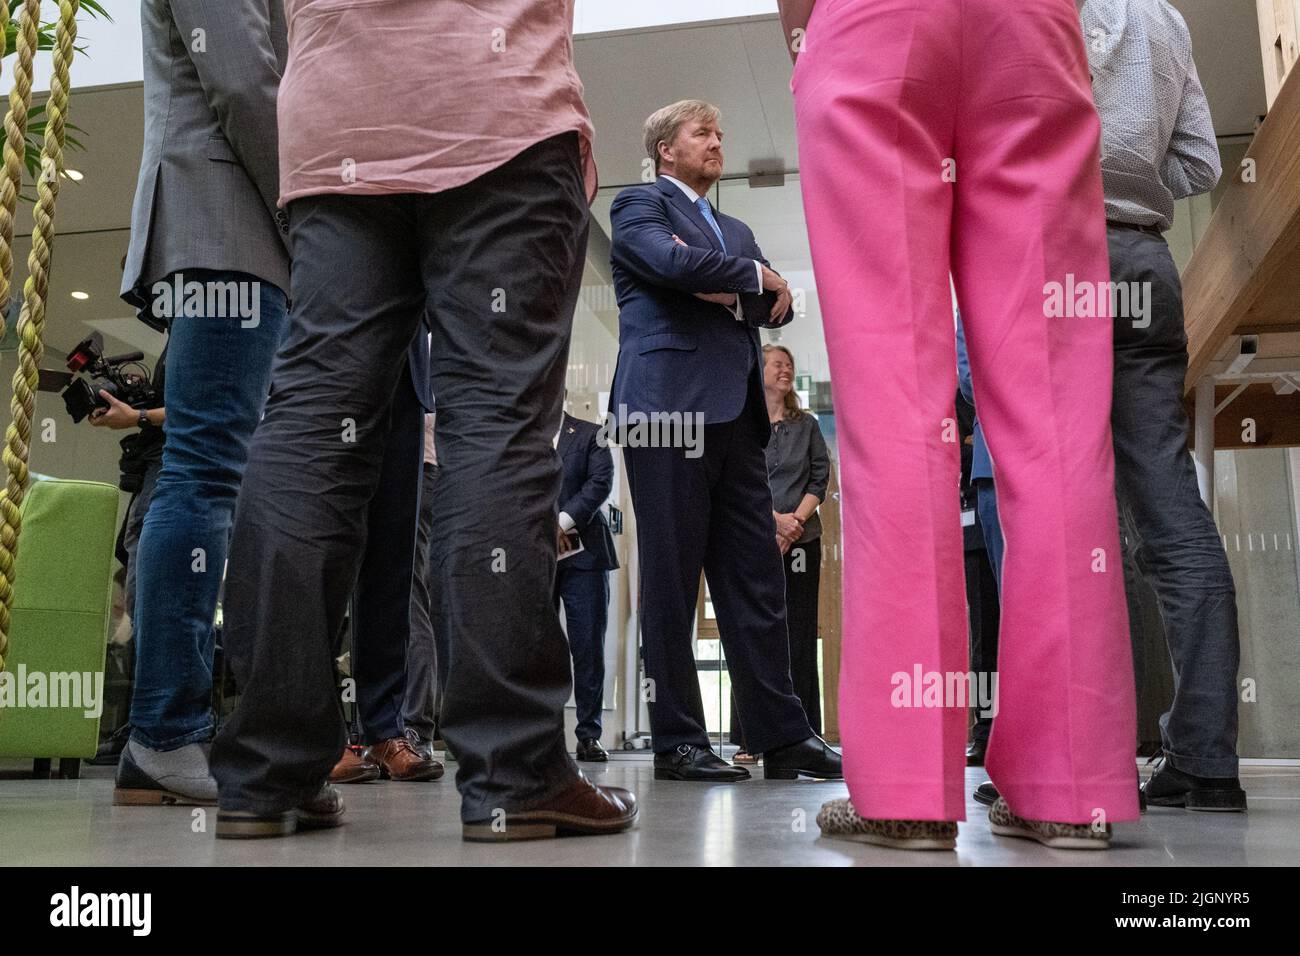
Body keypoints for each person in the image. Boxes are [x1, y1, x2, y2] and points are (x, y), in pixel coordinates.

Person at [209, 0, 637, 843]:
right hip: (494, 109)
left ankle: (263, 771)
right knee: (497, 423)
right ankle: (514, 772)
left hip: (337, 121)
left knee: (308, 419)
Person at [783, 0, 1139, 849]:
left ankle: (907, 784)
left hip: (874, 27)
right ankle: (1070, 784)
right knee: (1058, 419)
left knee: (893, 412)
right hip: (1031, 28)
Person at [608, 99, 842, 784]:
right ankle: (679, 741)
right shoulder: (639, 206)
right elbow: (665, 264)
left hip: (738, 423)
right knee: (674, 583)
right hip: (664, 415)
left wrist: (734, 282)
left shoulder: (735, 227)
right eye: (702, 133)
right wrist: (742, 278)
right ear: (665, 150)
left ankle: (784, 736)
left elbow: (782, 304)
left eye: (720, 131)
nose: (717, 141)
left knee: (756, 581)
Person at [112, 0, 291, 808]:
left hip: (233, 235)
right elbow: (245, 83)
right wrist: (309, 214)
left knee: (210, 469)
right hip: (229, 229)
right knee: (205, 470)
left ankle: (170, 730)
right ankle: (163, 731)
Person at [1086, 0, 1244, 811]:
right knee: (1173, 514)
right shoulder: (1169, 21)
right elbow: (1203, 167)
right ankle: (1206, 759)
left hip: (1061, 256)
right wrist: (1135, 171)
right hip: (1148, 261)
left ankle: (1079, 755)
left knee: (1064, 512)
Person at [330, 343, 443, 786]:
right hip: (336, 360)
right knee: (324, 554)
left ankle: (385, 729)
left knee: (393, 565)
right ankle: (323, 734)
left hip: (406, 380)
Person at [731, 345, 830, 759]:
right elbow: (740, 482)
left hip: (802, 540)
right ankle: (754, 737)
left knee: (799, 634)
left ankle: (804, 734)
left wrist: (794, 524)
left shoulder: (806, 425)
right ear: (761, 372)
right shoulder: (744, 424)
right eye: (778, 364)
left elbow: (820, 478)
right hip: (757, 538)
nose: (786, 369)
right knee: (756, 634)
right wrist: (775, 522)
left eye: (790, 364)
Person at [554, 408, 619, 762]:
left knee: (588, 646)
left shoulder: (590, 434)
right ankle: (542, 734)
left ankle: (588, 735)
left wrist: (561, 523)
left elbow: (599, 484)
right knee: (538, 647)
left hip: (587, 556)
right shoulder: (523, 436)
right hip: (534, 554)